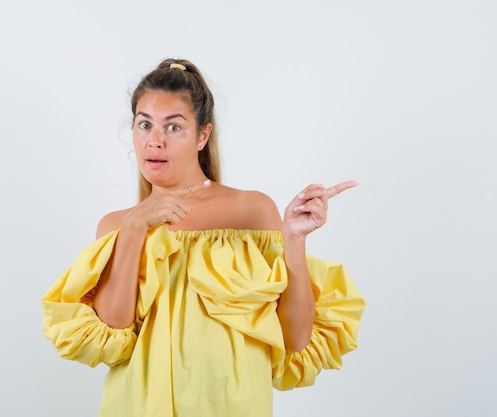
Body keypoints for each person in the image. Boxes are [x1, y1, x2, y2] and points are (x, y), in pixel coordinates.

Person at [41, 58, 365, 417]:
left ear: (202, 135)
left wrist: (294, 240)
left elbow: (295, 338)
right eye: (144, 124)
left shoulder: (250, 210)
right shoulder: (115, 226)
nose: (155, 141)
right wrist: (136, 226)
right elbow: (113, 337)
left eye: (174, 127)